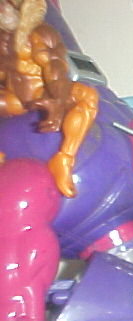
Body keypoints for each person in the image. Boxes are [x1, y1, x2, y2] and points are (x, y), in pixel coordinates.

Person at [0, 0, 98, 197]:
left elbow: (55, 68)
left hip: (41, 92)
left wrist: (57, 99)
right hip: (13, 98)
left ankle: (64, 159)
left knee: (88, 96)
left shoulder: (41, 34)